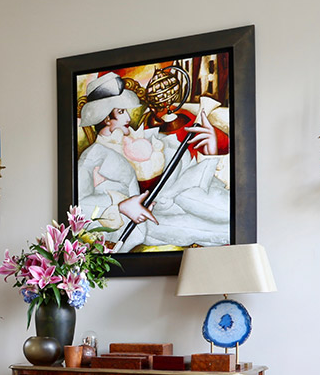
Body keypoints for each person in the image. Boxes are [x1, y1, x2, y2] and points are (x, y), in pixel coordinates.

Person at [75, 71, 231, 253]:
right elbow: (78, 206)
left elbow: (183, 172)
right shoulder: (92, 156)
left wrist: (210, 154)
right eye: (121, 112)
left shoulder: (146, 139)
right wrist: (119, 206)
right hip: (146, 224)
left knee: (219, 210)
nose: (128, 118)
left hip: (180, 199)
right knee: (219, 229)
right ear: (106, 118)